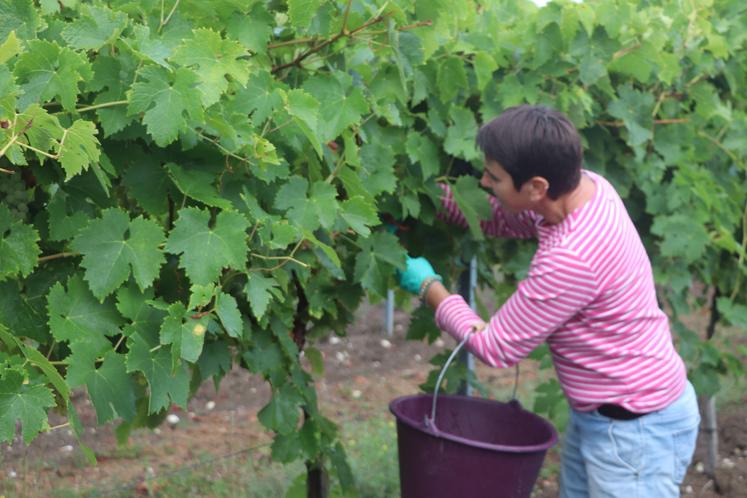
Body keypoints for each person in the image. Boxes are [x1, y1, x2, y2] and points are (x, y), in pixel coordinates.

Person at [396, 105, 700, 497]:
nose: (484, 182)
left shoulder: (573, 257)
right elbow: (509, 217)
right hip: (607, 416)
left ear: (537, 186)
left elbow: (497, 346)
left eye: (494, 176)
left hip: (636, 431)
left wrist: (428, 287)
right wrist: (426, 197)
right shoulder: (586, 189)